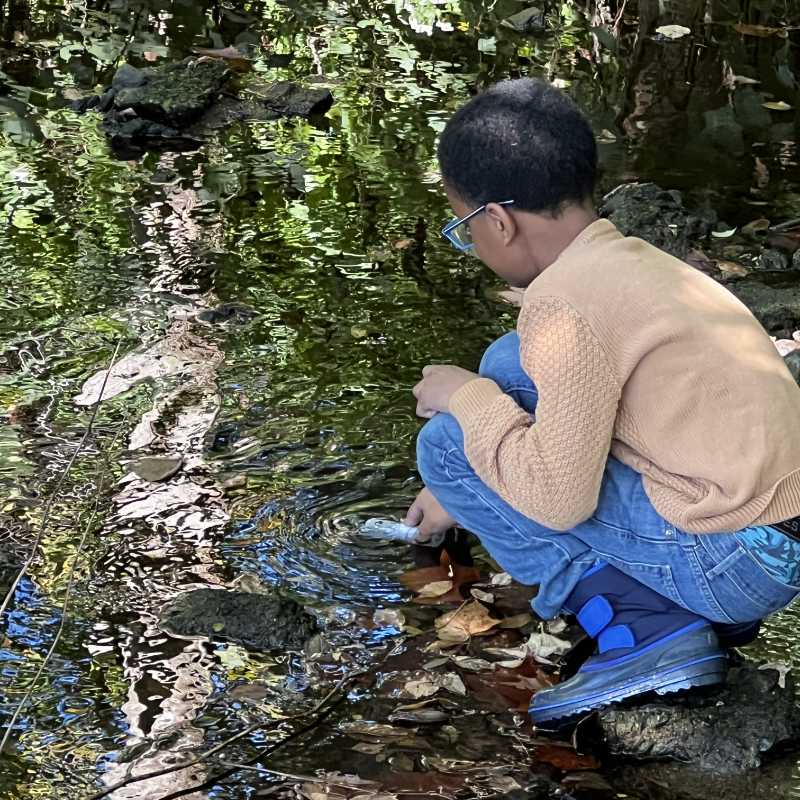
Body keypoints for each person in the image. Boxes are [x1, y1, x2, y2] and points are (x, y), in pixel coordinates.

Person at [403, 77, 800, 725]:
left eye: (463, 228)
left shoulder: (564, 304)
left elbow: (561, 498)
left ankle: (642, 627)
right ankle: (688, 610)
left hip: (734, 562)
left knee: (447, 443)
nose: (470, 243)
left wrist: (467, 401)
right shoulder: (630, 260)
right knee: (510, 364)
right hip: (775, 538)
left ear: (496, 222)